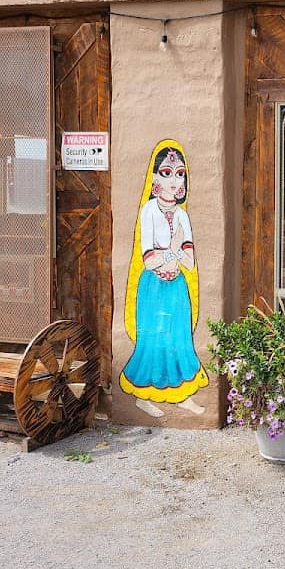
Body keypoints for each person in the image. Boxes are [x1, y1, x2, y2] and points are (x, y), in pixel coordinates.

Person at [120, 140, 210, 418]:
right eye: (167, 172)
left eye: (180, 173)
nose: (174, 179)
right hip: (153, 287)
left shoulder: (182, 214)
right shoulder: (148, 211)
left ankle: (183, 394)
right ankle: (142, 395)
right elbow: (149, 259)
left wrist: (171, 253)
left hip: (176, 288)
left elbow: (190, 261)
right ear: (155, 178)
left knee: (179, 339)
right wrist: (173, 249)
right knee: (153, 340)